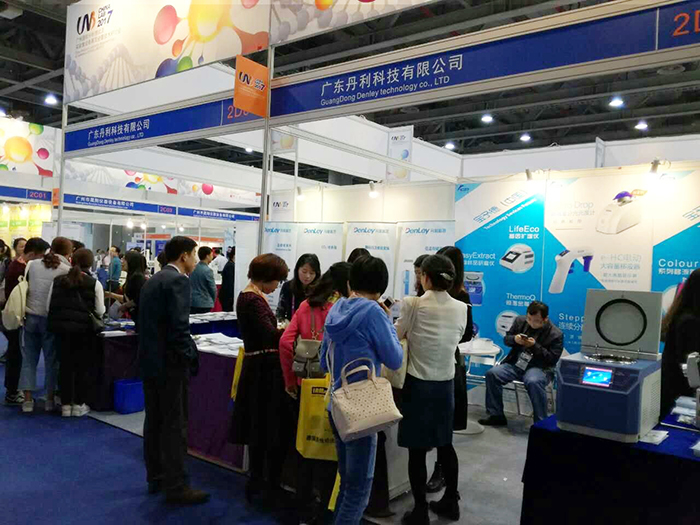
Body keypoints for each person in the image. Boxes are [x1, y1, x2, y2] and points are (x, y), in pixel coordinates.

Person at [320, 255, 404, 524]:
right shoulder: (374, 313)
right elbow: (394, 359)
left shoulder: (337, 308)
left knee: (347, 483)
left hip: (336, 403)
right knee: (358, 491)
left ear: (350, 281)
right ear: (381, 285)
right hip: (362, 408)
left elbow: (323, 360)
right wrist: (388, 324)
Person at [396, 255, 469, 524]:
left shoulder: (412, 303)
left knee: (416, 451)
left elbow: (397, 334)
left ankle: (420, 510)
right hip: (446, 385)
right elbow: (457, 337)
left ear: (425, 277)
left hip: (418, 385)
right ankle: (451, 501)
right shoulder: (462, 307)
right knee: (445, 444)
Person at [279, 262, 352, 525]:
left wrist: (291, 380)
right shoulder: (345, 309)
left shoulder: (306, 305)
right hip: (335, 388)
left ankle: (302, 504)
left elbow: (285, 343)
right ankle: (325, 510)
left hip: (306, 385)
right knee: (331, 452)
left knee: (306, 445)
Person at [139, 236, 208, 505]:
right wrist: (189, 356)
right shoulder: (178, 281)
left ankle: (156, 477)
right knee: (174, 425)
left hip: (150, 362)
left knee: (154, 421)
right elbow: (179, 328)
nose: (195, 260)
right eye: (193, 254)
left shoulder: (153, 280)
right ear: (184, 256)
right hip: (170, 365)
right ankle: (177, 485)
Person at [230, 253, 291, 506]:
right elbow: (269, 335)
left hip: (259, 368)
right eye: (276, 280)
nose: (277, 286)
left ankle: (258, 482)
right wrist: (290, 330)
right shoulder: (252, 299)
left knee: (260, 428)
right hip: (263, 371)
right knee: (266, 429)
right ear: (267, 277)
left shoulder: (251, 296)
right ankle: (265, 485)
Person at [480, 301, 563, 426]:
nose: (531, 323)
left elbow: (552, 359)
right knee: (492, 374)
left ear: (545, 319)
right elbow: (506, 340)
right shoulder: (520, 321)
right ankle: (496, 415)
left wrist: (534, 346)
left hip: (539, 368)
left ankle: (540, 423)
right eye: (529, 319)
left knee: (533, 381)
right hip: (516, 364)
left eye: (536, 321)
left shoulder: (556, 334)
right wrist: (515, 339)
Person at [47, 248, 105, 418]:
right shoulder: (94, 284)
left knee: (64, 367)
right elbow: (100, 311)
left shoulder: (57, 281)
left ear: (71, 260)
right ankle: (79, 404)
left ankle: (65, 405)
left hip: (61, 331)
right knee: (82, 368)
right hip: (84, 332)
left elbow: (48, 306)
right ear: (91, 263)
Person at [19, 237, 73, 413]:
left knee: (28, 359)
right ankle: (49, 400)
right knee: (51, 361)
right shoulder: (66, 270)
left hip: (30, 316)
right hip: (50, 320)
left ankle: (27, 401)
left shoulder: (32, 265)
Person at [2, 237, 49, 405]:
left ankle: (14, 391)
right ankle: (13, 392)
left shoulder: (18, 265)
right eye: (41, 256)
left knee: (17, 354)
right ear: (33, 254)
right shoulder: (21, 269)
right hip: (18, 317)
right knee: (17, 355)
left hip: (18, 316)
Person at [660, 269, 700, 416]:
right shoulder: (690, 321)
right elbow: (691, 367)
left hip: (676, 392)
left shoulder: (683, 315)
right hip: (680, 397)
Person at [106, 251, 148, 332]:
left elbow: (139, 298)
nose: (122, 262)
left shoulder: (137, 278)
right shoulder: (132, 277)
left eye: (124, 259)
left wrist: (125, 305)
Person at [277, 253, 321, 322]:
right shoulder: (288, 286)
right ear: (297, 270)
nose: (307, 276)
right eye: (304, 271)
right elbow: (280, 312)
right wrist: (284, 322)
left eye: (312, 273)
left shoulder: (319, 289)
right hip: (291, 325)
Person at [190, 246, 217, 314]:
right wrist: (212, 300)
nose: (212, 257)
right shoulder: (208, 270)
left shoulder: (193, 268)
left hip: (192, 302)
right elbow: (213, 289)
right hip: (204, 303)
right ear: (207, 256)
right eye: (211, 255)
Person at [218, 247, 236, 312]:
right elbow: (230, 284)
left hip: (227, 296)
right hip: (227, 297)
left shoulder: (231, 265)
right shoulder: (230, 266)